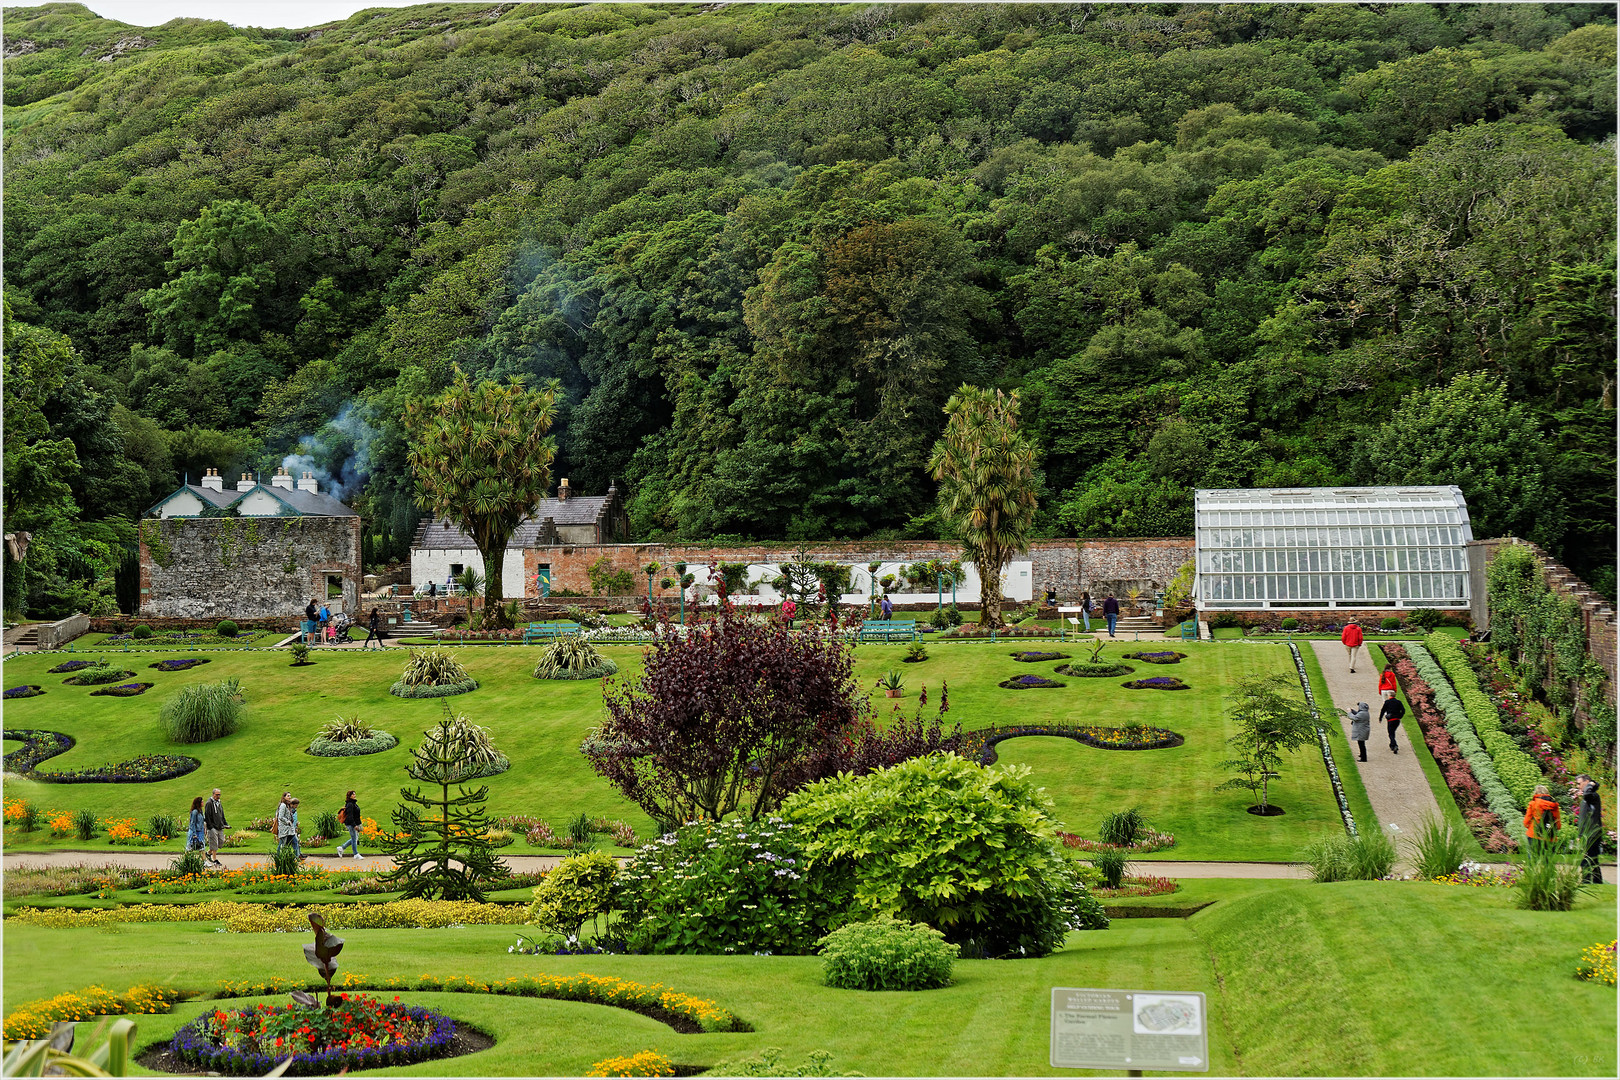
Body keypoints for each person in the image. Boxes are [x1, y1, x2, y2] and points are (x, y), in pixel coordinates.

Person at [1573, 774, 1604, 884]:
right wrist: (1579, 835)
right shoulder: (1588, 798)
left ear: (1586, 782)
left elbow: (1587, 793)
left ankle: (1586, 881)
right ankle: (1597, 881)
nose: (1578, 787)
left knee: (1586, 859)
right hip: (1587, 834)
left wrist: (1592, 784)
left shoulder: (1592, 796)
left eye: (1579, 784)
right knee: (1592, 859)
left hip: (1592, 834)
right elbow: (1583, 819)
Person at [1524, 784, 1561, 855]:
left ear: (1536, 793)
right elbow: (1558, 824)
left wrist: (1530, 827)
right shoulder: (1554, 805)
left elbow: (1526, 822)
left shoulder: (1533, 804)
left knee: (1533, 859)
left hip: (1534, 834)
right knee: (1547, 861)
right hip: (1550, 836)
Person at [203, 788, 228, 867]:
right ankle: (214, 859)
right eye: (217, 795)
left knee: (220, 842)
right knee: (214, 843)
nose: (218, 796)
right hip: (212, 827)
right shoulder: (209, 803)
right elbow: (207, 815)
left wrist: (225, 823)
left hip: (219, 826)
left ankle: (208, 853)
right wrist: (210, 826)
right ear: (213, 794)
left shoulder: (219, 803)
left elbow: (222, 814)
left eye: (219, 794)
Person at [335, 790, 363, 859]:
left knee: (355, 838)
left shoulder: (353, 803)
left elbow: (356, 815)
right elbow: (350, 816)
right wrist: (354, 825)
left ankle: (341, 848)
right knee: (354, 838)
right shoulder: (350, 804)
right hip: (351, 824)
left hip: (354, 823)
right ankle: (355, 854)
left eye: (354, 794)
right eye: (353, 794)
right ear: (349, 796)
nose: (354, 795)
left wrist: (359, 824)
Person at [277, 796, 302, 860]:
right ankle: (279, 857)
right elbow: (280, 817)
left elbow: (293, 819)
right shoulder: (284, 806)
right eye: (288, 796)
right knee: (283, 844)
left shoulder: (290, 809)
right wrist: (288, 822)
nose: (289, 797)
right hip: (285, 830)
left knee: (295, 842)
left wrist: (294, 827)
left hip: (291, 830)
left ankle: (296, 857)